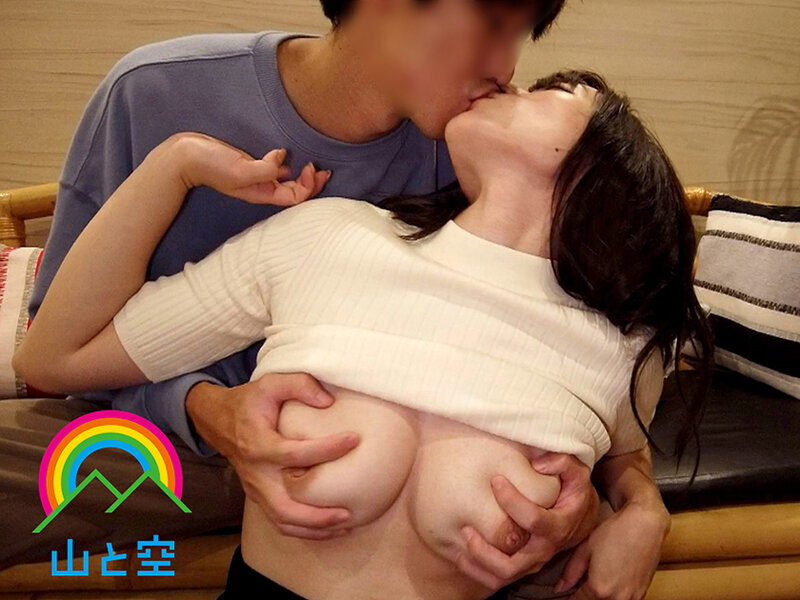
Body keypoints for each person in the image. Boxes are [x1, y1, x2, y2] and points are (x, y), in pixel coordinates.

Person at [3, 0, 672, 597]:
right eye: (493, 21)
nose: (505, 70)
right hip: (167, 425)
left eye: (520, 36)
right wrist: (206, 407)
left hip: (307, 465)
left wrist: (636, 508)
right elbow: (58, 359)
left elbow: (611, 424)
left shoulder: (459, 139)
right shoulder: (162, 96)